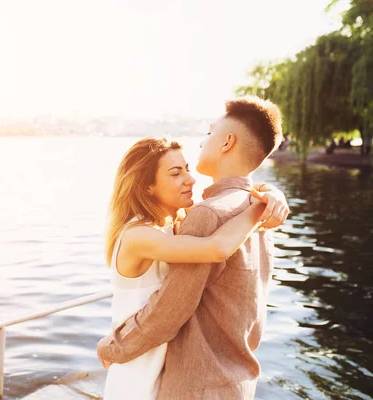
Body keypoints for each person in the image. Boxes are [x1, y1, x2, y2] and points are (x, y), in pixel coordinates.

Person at [98, 96, 288, 399]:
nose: (190, 177)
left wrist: (111, 347)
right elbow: (216, 249)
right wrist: (267, 199)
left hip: (195, 385)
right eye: (176, 173)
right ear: (147, 185)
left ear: (227, 142)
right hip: (230, 382)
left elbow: (166, 313)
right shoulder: (255, 210)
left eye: (209, 134)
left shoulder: (210, 215)